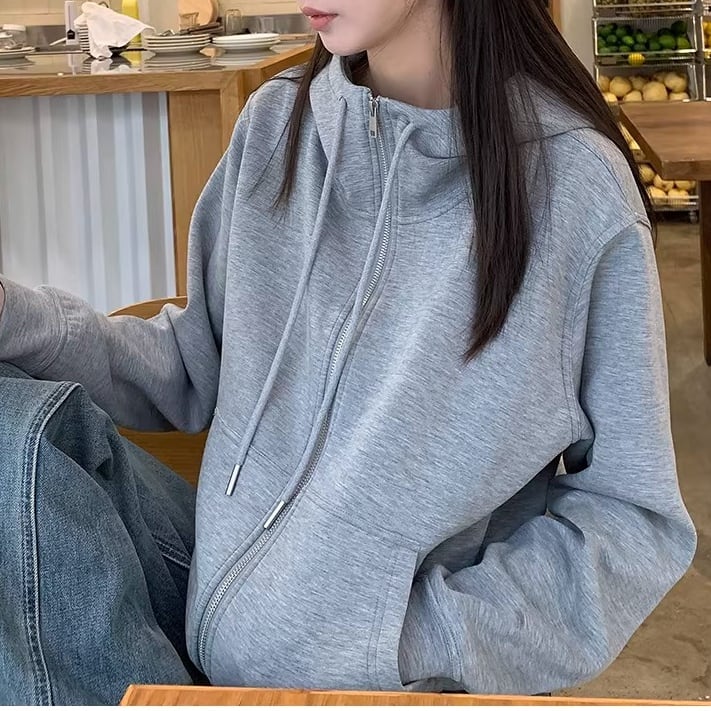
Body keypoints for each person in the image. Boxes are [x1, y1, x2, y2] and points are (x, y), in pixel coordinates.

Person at [0, 0, 697, 704]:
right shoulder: (277, 124)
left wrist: (399, 641)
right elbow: (190, 365)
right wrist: (11, 316)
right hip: (215, 597)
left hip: (371, 679)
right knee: (8, 421)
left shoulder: (573, 188)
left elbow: (631, 521)